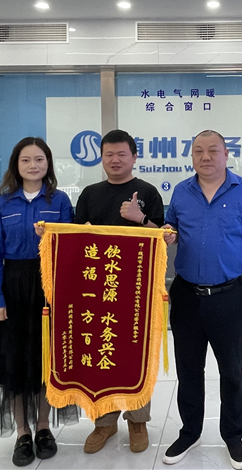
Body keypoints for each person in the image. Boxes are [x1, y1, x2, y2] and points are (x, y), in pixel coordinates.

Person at [161, 129, 242, 470]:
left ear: (226, 154)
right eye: (198, 151)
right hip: (186, 295)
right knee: (188, 369)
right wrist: (164, 233)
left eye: (212, 150)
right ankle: (190, 431)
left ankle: (233, 435)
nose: (205, 157)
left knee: (231, 370)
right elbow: (170, 231)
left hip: (227, 295)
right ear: (192, 156)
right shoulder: (181, 192)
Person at [0, 137, 78, 467]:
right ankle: (22, 431)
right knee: (14, 360)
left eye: (39, 159)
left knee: (46, 359)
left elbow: (73, 249)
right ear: (16, 165)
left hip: (50, 287)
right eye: (26, 160)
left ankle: (44, 427)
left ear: (48, 164)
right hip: (13, 287)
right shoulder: (3, 204)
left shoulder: (59, 201)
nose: (33, 165)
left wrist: (51, 239)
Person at [73, 129, 165, 456]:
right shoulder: (89, 194)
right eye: (109, 154)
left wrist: (140, 219)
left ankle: (138, 421)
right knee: (101, 355)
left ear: (134, 157)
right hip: (97, 291)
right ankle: (104, 422)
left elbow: (164, 238)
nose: (115, 160)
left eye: (122, 154)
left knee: (137, 354)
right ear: (101, 158)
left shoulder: (148, 192)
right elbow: (76, 239)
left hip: (138, 290)